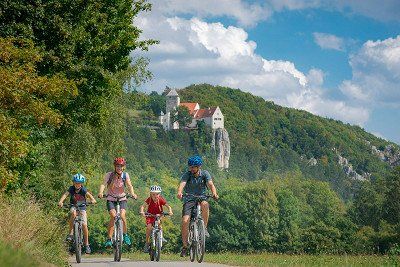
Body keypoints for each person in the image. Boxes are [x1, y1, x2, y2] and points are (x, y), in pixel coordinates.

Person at [177, 155, 219, 257]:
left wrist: (214, 193)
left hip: (202, 197)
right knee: (185, 221)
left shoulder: (205, 174)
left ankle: (204, 227)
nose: (191, 169)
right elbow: (182, 183)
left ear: (198, 167)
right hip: (189, 199)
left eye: (193, 167)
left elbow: (210, 184)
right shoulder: (187, 174)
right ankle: (185, 246)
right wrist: (179, 192)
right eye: (190, 167)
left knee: (205, 204)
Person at [98, 157, 138, 247]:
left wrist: (133, 193)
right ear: (114, 167)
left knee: (122, 216)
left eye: (121, 166)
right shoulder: (109, 175)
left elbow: (129, 185)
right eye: (117, 166)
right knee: (113, 216)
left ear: (123, 167)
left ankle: (125, 235)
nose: (119, 168)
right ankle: (109, 239)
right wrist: (101, 192)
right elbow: (103, 184)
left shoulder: (125, 175)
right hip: (111, 199)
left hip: (122, 199)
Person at [58, 173, 96, 254]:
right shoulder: (71, 188)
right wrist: (61, 201)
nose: (77, 184)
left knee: (84, 225)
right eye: (76, 183)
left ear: (81, 183)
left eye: (79, 183)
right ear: (73, 183)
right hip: (73, 206)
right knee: (73, 213)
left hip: (82, 207)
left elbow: (89, 195)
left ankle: (86, 244)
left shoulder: (83, 189)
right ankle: (71, 233)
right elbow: (65, 194)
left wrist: (93, 200)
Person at [140, 185, 173, 253]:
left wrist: (170, 211)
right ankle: (147, 242)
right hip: (150, 215)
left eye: (157, 194)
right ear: (151, 194)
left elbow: (168, 206)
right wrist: (142, 211)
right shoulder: (149, 199)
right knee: (149, 227)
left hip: (158, 215)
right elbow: (143, 206)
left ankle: (161, 237)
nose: (155, 196)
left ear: (159, 194)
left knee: (159, 225)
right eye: (153, 194)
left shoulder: (160, 199)